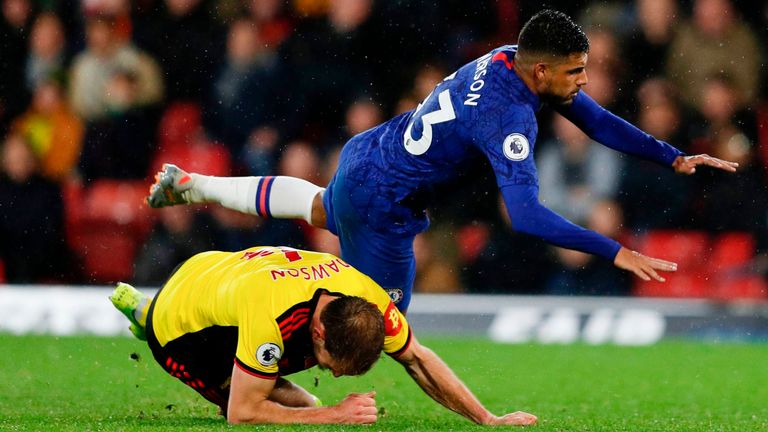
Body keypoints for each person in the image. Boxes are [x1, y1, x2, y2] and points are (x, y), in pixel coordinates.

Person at [147, 10, 738, 312]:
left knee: (325, 206)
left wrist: (671, 156)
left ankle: (196, 186)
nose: (583, 82)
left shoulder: (507, 56)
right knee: (377, 334)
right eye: (575, 71)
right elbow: (528, 217)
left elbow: (591, 116)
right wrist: (614, 249)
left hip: (369, 155)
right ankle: (256, 335)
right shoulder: (509, 118)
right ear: (541, 72)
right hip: (385, 207)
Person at [109, 246, 537, 426]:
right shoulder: (270, 316)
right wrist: (334, 413)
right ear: (318, 330)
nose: (331, 376)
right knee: (263, 404)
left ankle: (147, 311)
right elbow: (243, 412)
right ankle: (148, 318)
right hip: (184, 329)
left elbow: (418, 358)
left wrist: (488, 419)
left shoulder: (366, 295)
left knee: (299, 399)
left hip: (213, 271)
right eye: (331, 364)